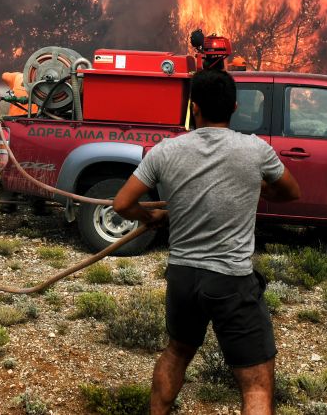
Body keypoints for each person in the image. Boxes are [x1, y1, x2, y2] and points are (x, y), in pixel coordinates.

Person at [113, 69, 300, 415]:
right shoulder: (256, 150)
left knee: (177, 352)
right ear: (234, 107)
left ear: (193, 107)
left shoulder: (165, 151)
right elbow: (291, 192)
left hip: (183, 276)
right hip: (231, 279)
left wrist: (150, 217)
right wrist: (257, 187)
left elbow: (122, 203)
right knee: (256, 382)